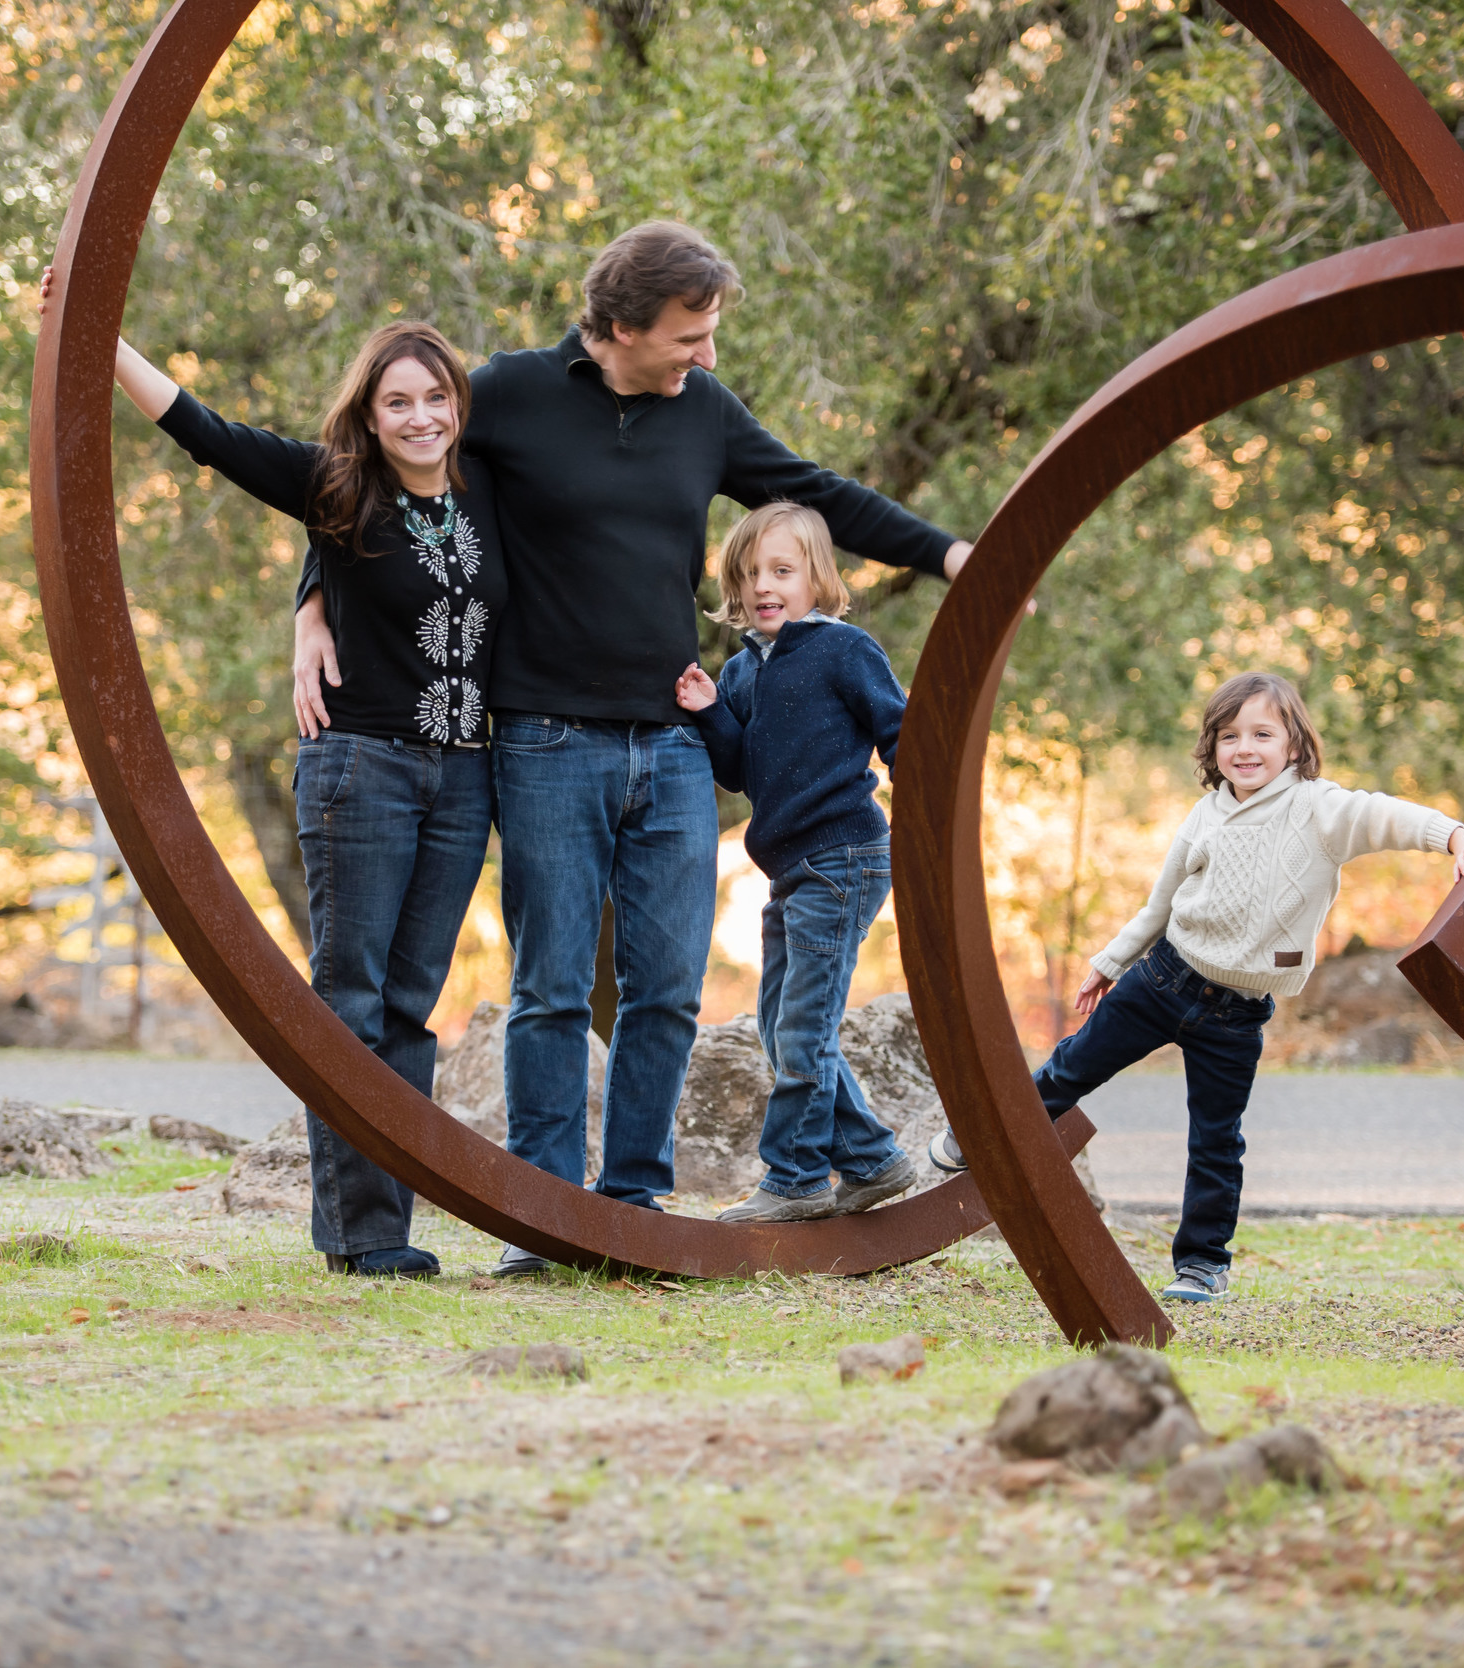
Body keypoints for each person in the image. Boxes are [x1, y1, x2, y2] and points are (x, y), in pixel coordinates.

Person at [294, 222, 973, 1276]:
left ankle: (632, 1206)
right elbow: (378, 468)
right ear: (619, 326)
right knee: (553, 987)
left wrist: (946, 552)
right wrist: (312, 601)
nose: (705, 355)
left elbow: (818, 490)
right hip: (545, 740)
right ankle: (546, 1216)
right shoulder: (510, 394)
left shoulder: (702, 411)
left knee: (664, 989)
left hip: (674, 746)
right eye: (688, 335)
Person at [55, 268, 500, 1279]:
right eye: (398, 402)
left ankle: (390, 1221)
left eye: (436, 397)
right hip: (362, 770)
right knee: (349, 999)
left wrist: (312, 602)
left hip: (465, 777)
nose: (421, 416)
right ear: (370, 415)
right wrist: (94, 337)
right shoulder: (333, 488)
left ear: (459, 407)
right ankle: (361, 1236)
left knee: (409, 1007)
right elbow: (201, 429)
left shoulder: (492, 498)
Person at [926, 671, 1464, 1303]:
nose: (1244, 748)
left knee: (1216, 1139)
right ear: (1212, 749)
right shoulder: (1207, 813)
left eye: (1262, 734)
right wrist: (1110, 962)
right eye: (1229, 736)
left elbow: (1382, 814)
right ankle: (977, 1138)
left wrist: (1450, 835)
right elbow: (1161, 901)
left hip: (1235, 1017)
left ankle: (1201, 1264)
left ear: (1294, 746)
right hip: (1163, 979)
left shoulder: (1318, 808)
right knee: (1069, 1069)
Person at [674, 502, 918, 1222]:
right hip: (790, 870)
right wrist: (713, 708)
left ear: (818, 578)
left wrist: (928, 821)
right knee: (779, 1023)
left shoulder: (844, 650)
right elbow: (739, 770)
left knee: (803, 1025)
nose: (763, 585)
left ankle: (797, 1177)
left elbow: (902, 733)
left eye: (782, 570)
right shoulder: (746, 669)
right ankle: (873, 1160)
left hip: (846, 855)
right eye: (750, 573)